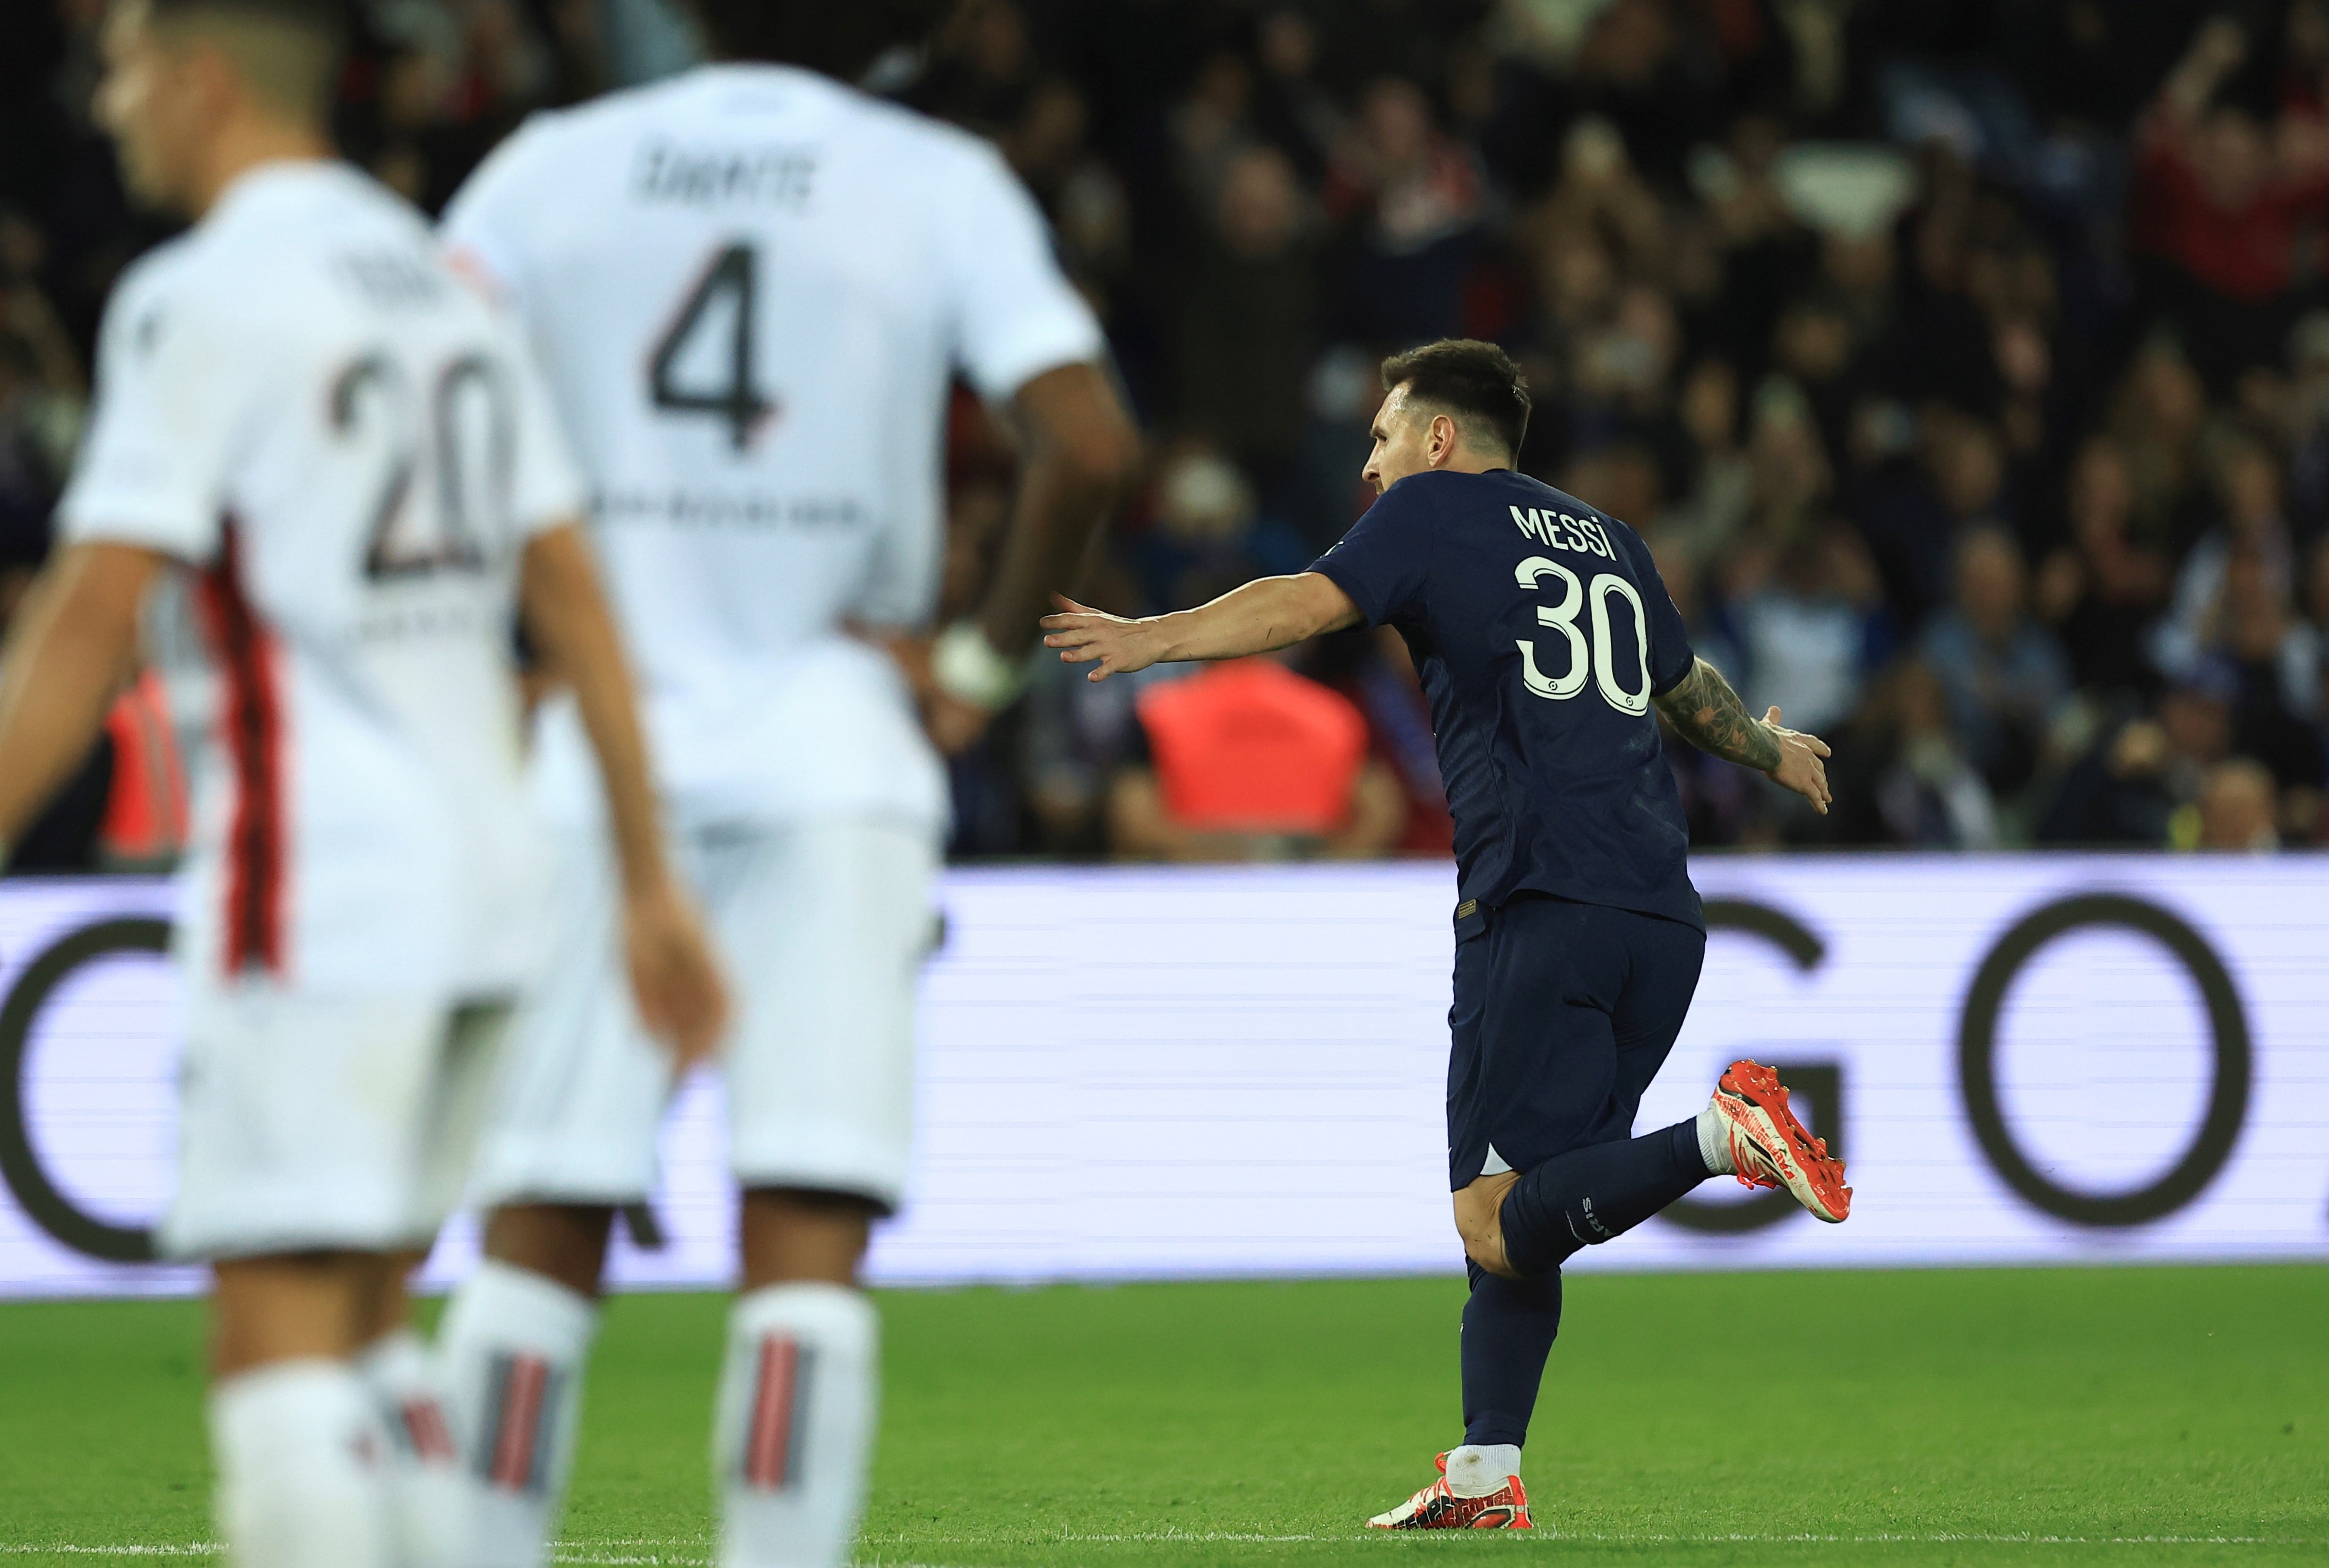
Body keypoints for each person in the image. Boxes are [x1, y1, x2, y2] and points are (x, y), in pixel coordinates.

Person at [0, 2, 729, 1565]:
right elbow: (574, 590)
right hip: (489, 874)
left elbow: (87, 617)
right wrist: (649, 878)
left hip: (313, 870)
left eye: (123, 71)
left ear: (197, 80)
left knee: (275, 1341)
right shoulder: (441, 282)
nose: (110, 106)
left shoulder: (201, 295)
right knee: (375, 1327)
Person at [429, 4, 1140, 1565]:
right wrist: (968, 673)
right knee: (803, 1239)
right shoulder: (935, 177)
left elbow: (416, 409)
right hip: (838, 756)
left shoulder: (550, 169)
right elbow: (1082, 442)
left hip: (598, 761)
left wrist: (506, 640)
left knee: (537, 1233)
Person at [1043, 339, 1850, 1530]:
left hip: (1536, 901)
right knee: (1533, 1212)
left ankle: (1725, 1137)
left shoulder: (1432, 514)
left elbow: (1298, 606)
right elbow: (1689, 695)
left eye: (1380, 437)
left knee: (1490, 1214)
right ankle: (1483, 1474)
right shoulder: (1609, 540)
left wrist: (1153, 639)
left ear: (1435, 438)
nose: (1368, 465)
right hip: (1659, 920)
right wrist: (1773, 752)